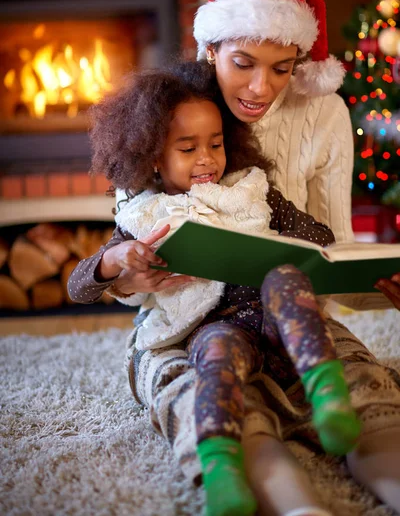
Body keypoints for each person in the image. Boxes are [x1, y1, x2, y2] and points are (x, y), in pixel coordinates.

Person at [73, 0, 400, 516]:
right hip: (196, 327)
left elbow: (322, 242)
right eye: (243, 63)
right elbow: (93, 275)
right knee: (218, 400)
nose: (260, 88)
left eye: (282, 67)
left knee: (368, 393)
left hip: (284, 310)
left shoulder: (265, 166)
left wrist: (372, 277)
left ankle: (335, 409)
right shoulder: (165, 130)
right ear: (211, 50)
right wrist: (124, 266)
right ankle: (286, 501)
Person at [68, 61, 361, 516]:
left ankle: (328, 396)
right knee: (216, 356)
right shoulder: (145, 216)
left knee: (286, 278)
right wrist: (113, 262)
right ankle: (222, 470)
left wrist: (279, 242)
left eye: (216, 143)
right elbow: (78, 286)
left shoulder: (250, 190)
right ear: (152, 157)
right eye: (188, 148)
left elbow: (320, 241)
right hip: (218, 331)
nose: (206, 158)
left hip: (280, 320)